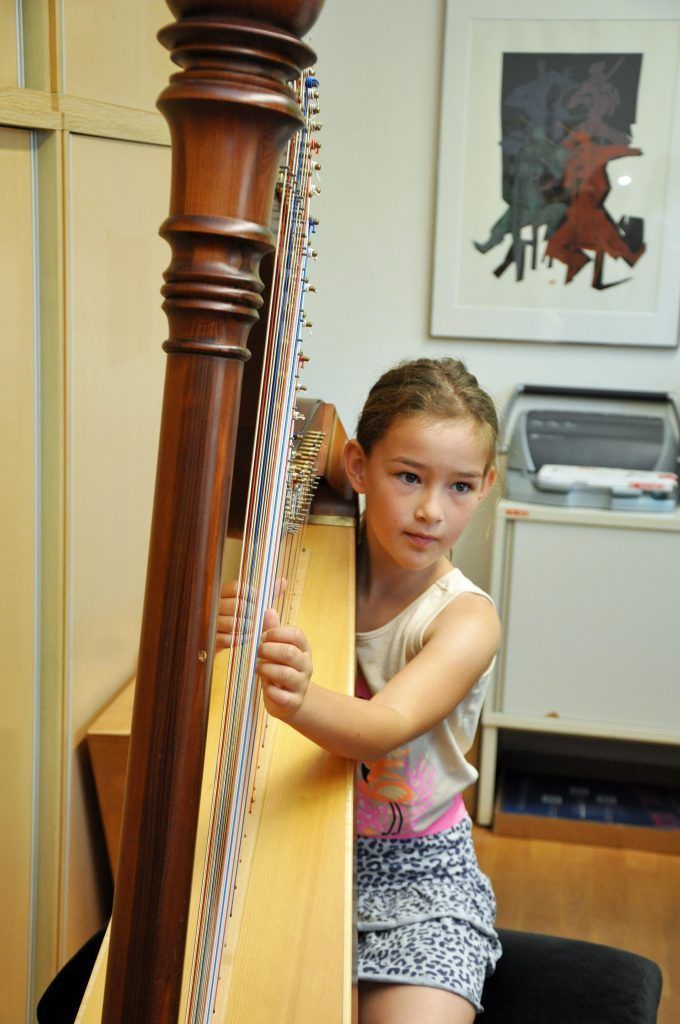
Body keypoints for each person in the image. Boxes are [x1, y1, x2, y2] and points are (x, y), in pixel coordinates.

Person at [218, 357, 502, 1023]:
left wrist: (295, 696)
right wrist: (232, 628)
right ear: (358, 467)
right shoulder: (311, 565)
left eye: (460, 486)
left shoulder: (465, 619)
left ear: (486, 486)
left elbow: (384, 725)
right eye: (407, 477)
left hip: (421, 881)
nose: (431, 510)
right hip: (288, 849)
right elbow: (303, 434)